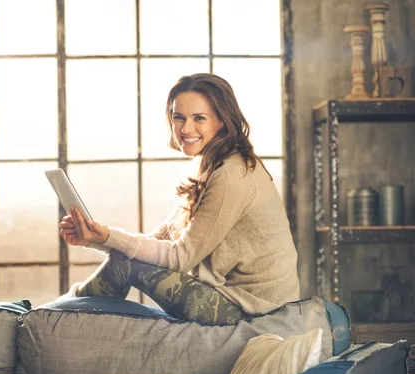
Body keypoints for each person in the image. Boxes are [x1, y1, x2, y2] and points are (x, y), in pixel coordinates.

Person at [59, 73, 299, 325]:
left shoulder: (231, 174)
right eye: (178, 117)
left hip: (253, 308)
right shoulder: (208, 164)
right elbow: (159, 241)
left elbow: (180, 257)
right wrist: (95, 238)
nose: (185, 129)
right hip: (234, 297)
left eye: (199, 119)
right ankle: (67, 312)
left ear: (222, 121)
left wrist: (107, 237)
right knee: (125, 258)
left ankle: (62, 314)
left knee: (127, 264)